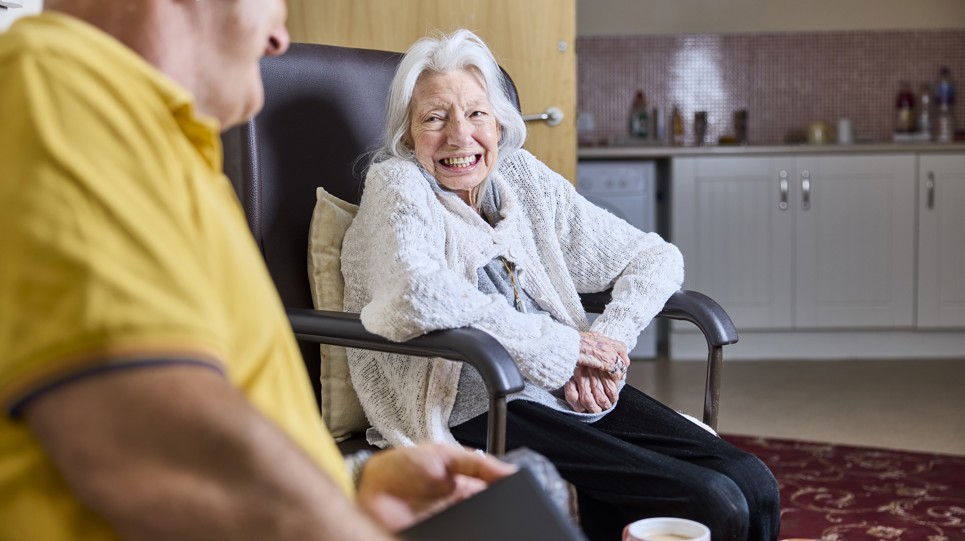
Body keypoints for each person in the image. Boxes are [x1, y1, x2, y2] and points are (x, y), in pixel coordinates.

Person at [0, 3, 517, 540]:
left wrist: (353, 486)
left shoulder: (174, 153)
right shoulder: (60, 91)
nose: (279, 40)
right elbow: (153, 442)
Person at [340, 29, 781, 541]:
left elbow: (654, 257)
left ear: (499, 124)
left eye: (477, 113)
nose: (460, 136)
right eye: (435, 118)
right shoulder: (397, 184)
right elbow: (417, 293)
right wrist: (563, 348)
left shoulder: (520, 178)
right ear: (408, 135)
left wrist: (607, 343)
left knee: (754, 482)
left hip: (564, 391)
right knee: (713, 500)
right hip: (472, 405)